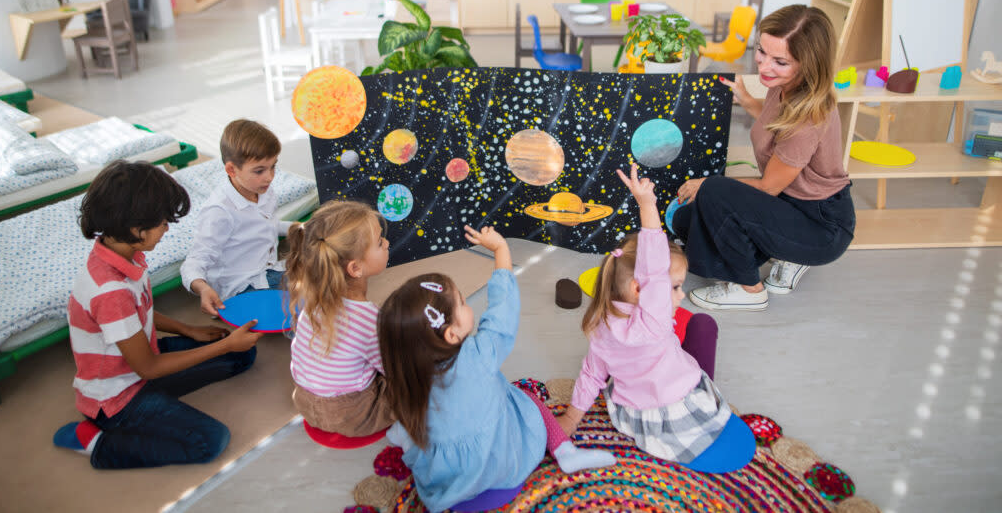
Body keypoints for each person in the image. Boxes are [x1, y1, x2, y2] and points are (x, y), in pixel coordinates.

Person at [379, 226, 616, 513]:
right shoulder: (480, 356)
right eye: (463, 303)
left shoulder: (406, 378)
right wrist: (501, 250)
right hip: (501, 468)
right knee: (526, 400)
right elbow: (502, 311)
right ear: (451, 335)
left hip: (446, 484)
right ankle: (565, 450)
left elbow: (405, 434)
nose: (468, 306)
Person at [53, 161, 261, 469]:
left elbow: (141, 311)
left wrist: (188, 330)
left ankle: (160, 403)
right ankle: (97, 443)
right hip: (118, 397)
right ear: (137, 229)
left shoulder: (125, 254)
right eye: (163, 222)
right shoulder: (110, 292)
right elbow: (149, 367)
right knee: (210, 440)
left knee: (242, 355)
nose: (167, 228)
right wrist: (223, 347)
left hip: (139, 363)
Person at [672, 5, 855, 312]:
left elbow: (769, 187)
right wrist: (747, 100)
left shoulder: (808, 117)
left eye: (780, 61)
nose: (764, 66)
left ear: (808, 64)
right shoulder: (784, 86)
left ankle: (750, 289)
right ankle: (782, 252)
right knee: (684, 221)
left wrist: (706, 184)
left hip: (820, 223)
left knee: (715, 191)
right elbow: (775, 125)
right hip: (789, 203)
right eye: (761, 52)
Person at [556, 165, 731, 465]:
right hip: (680, 412)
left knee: (681, 321)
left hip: (635, 415)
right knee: (702, 324)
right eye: (674, 287)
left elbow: (591, 374)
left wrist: (572, 418)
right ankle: (701, 389)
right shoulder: (653, 320)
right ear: (642, 290)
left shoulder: (600, 323)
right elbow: (653, 266)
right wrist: (646, 205)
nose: (682, 294)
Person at [285, 200, 394, 436]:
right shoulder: (369, 320)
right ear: (355, 269)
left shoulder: (312, 303)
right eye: (379, 242)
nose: (386, 243)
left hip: (304, 402)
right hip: (352, 415)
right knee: (419, 377)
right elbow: (393, 369)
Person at [181, 119, 289, 316]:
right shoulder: (219, 211)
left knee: (325, 274)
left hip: (268, 271)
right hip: (240, 287)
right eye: (259, 171)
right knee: (297, 310)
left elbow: (265, 225)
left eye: (273, 166)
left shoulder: (263, 190)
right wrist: (203, 288)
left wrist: (296, 227)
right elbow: (194, 261)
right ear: (232, 170)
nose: (270, 177)